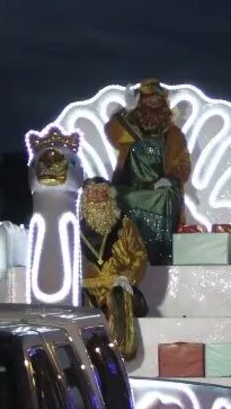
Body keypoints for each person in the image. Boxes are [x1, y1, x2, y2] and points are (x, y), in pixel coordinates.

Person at [104, 79, 192, 265]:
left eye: (156, 98)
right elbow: (111, 131)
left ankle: (159, 256)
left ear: (163, 102)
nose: (152, 102)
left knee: (165, 196)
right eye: (147, 98)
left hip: (159, 189)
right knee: (115, 196)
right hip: (131, 187)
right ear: (140, 101)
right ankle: (121, 257)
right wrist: (126, 110)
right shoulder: (131, 130)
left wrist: (170, 179)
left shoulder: (173, 134)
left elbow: (183, 164)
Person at [79, 176, 149, 358]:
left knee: (118, 295)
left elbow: (139, 255)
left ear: (109, 197)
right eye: (91, 194)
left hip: (119, 285)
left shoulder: (125, 226)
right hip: (88, 288)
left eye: (101, 193)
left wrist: (128, 277)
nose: (96, 199)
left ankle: (118, 353)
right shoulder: (74, 229)